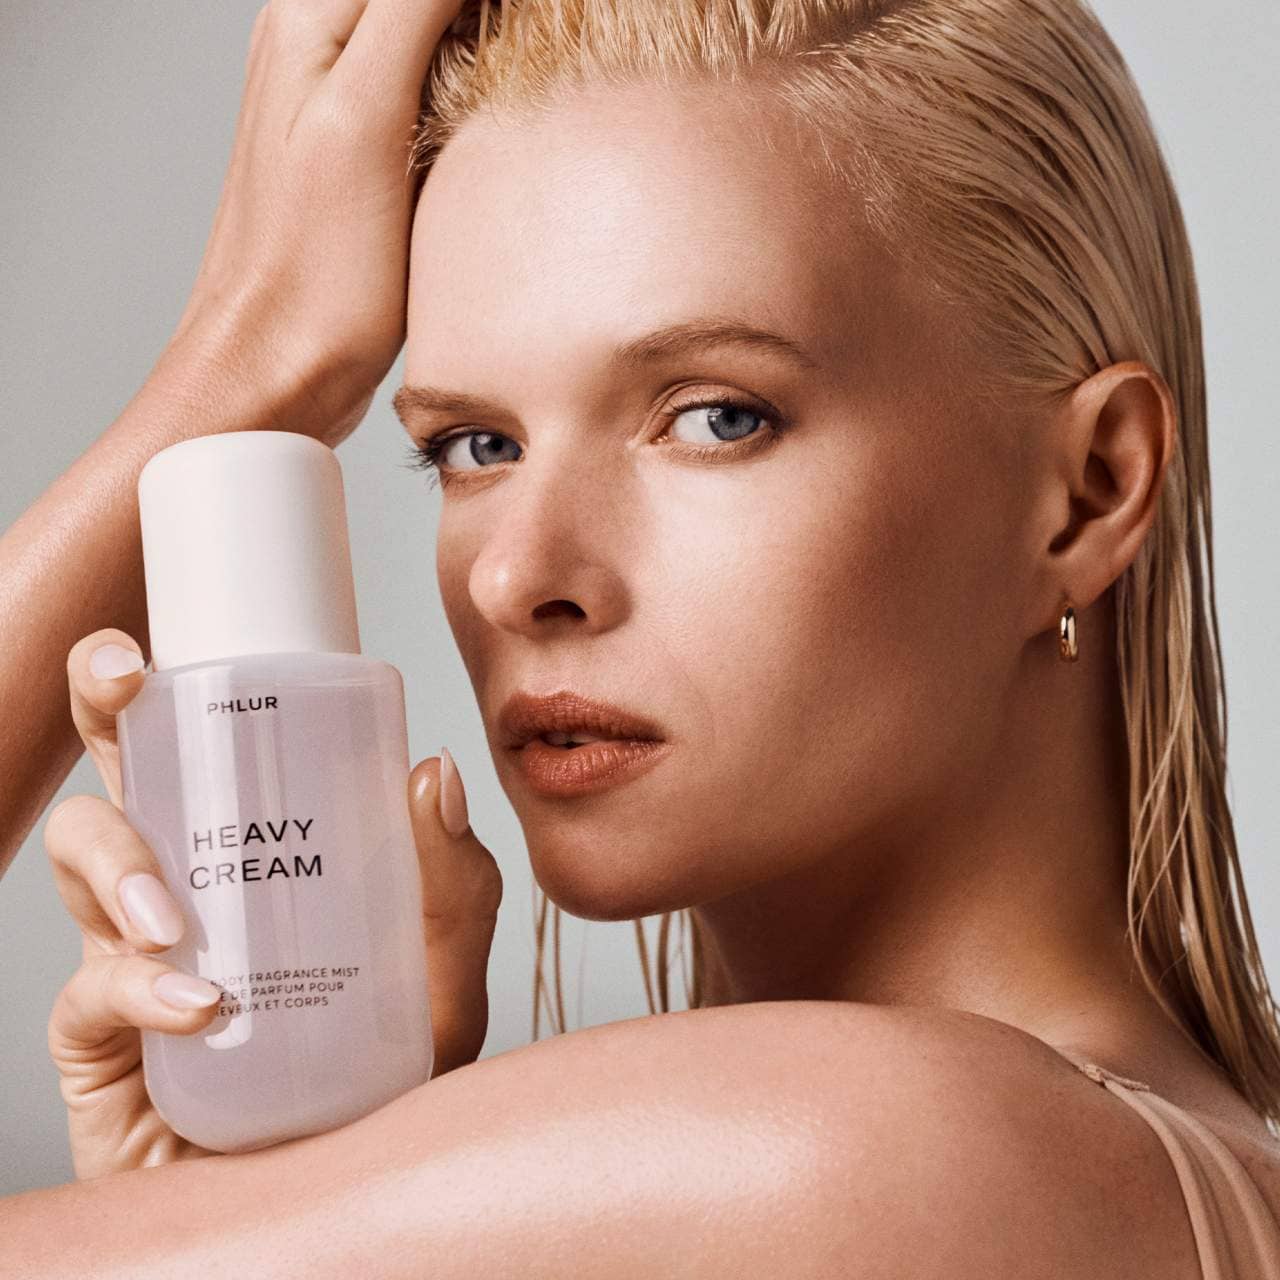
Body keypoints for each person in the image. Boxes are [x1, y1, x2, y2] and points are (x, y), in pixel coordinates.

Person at [1, 0, 1278, 1273]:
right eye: (475, 445)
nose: (515, 575)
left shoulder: (883, 1147)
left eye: (716, 417)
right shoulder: (1118, 1165)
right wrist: (262, 1182)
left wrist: (247, 353)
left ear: (1087, 490)